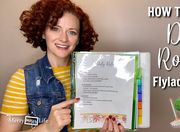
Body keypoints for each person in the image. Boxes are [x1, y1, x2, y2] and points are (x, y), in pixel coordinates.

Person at [0, 0, 125, 132]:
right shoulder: (23, 79)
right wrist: (47, 128)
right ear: (43, 32)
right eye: (55, 29)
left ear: (78, 38)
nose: (63, 39)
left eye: (72, 32)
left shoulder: (99, 74)